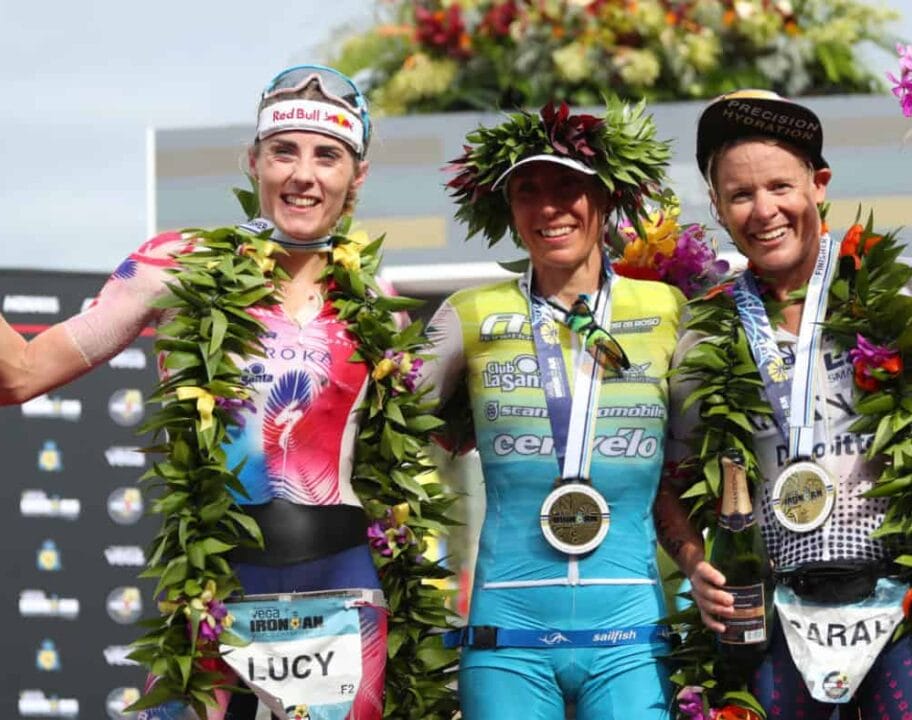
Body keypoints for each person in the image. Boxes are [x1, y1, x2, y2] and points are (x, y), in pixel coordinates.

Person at [0, 65, 387, 720]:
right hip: (213, 590)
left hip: (341, 597)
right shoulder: (177, 266)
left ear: (356, 177)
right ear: (253, 162)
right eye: (283, 151)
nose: (304, 174)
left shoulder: (375, 301)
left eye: (328, 155)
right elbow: (21, 374)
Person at [424, 99, 685, 719]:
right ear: (506, 209)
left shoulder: (670, 309)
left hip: (631, 636)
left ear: (606, 199)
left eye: (569, 186)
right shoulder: (468, 313)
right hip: (506, 637)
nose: (548, 207)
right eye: (527, 191)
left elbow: (710, 453)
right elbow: (376, 423)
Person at [655, 89, 912, 718]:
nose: (763, 210)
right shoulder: (703, 335)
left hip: (899, 606)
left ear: (819, 183)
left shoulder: (890, 304)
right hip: (772, 617)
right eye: (740, 195)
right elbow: (668, 479)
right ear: (716, 206)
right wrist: (693, 562)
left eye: (780, 186)